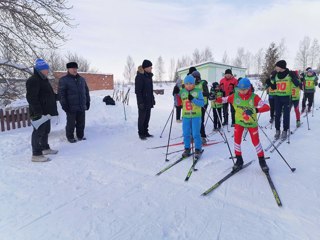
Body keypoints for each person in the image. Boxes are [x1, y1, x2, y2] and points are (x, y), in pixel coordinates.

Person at [216, 78, 270, 172]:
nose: (242, 91)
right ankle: (239, 160)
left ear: (249, 88)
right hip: (239, 123)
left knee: (256, 142)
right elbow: (224, 99)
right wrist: (215, 98)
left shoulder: (254, 97)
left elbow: (267, 107)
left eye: (244, 89)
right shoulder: (235, 96)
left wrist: (256, 110)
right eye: (240, 89)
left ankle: (262, 160)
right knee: (237, 141)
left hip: (251, 124)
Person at [26, 59, 59, 162]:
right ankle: (36, 154)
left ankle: (45, 148)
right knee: (38, 132)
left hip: (46, 111)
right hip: (38, 112)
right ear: (40, 69)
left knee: (45, 131)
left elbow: (48, 95)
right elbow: (31, 98)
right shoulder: (33, 80)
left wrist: (58, 96)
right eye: (46, 69)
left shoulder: (44, 80)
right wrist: (38, 112)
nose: (47, 71)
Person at [266, 60, 300, 140]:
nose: (275, 68)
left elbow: (297, 84)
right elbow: (274, 87)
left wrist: (294, 77)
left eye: (276, 66)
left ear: (281, 67)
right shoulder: (276, 75)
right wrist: (269, 82)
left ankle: (285, 130)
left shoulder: (289, 74)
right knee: (277, 115)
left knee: (286, 115)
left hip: (287, 97)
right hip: (277, 97)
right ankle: (277, 130)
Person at [58, 62, 90, 143]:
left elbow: (86, 91)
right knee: (71, 123)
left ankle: (80, 136)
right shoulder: (63, 80)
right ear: (68, 69)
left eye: (75, 68)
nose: (74, 70)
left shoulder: (82, 79)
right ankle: (70, 137)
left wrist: (87, 102)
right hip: (70, 106)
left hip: (81, 105)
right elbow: (61, 95)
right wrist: (64, 105)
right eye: (72, 68)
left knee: (81, 122)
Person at [179, 75, 204, 159]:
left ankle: (198, 149)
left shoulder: (198, 91)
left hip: (196, 116)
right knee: (186, 133)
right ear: (184, 84)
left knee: (196, 133)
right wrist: (175, 94)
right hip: (186, 116)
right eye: (186, 84)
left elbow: (202, 103)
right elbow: (178, 103)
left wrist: (193, 99)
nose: (188, 85)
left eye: (190, 83)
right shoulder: (182, 92)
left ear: (193, 84)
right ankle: (187, 148)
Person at [135, 60, 155, 140]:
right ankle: (141, 133)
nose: (151, 68)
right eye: (150, 67)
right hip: (142, 102)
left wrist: (152, 99)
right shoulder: (140, 76)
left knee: (147, 117)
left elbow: (150, 90)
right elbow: (138, 91)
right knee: (142, 118)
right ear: (146, 67)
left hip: (148, 101)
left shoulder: (149, 76)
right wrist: (140, 102)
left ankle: (145, 132)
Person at [192, 70, 209, 144]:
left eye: (195, 77)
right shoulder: (192, 84)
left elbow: (207, 93)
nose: (194, 79)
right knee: (194, 120)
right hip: (195, 104)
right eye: (193, 77)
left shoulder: (203, 83)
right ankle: (194, 136)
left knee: (200, 120)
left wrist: (200, 93)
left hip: (203, 104)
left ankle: (203, 137)